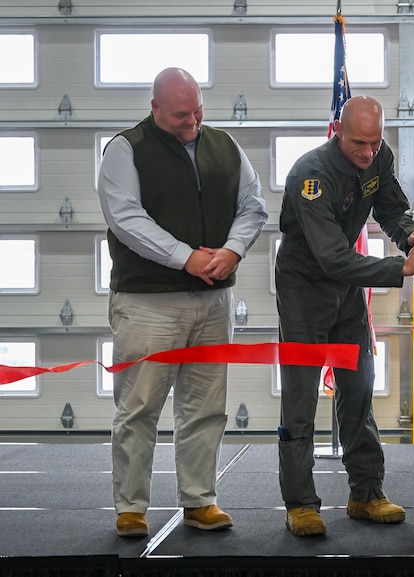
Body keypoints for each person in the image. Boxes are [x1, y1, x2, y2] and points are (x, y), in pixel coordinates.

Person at [97, 67, 268, 538]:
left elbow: (253, 205)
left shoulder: (225, 146)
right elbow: (126, 217)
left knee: (206, 406)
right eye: (180, 115)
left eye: (197, 111)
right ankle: (131, 507)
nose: (192, 121)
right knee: (139, 407)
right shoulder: (124, 150)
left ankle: (199, 501)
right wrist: (185, 258)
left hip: (214, 302)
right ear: (154, 108)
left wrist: (232, 250)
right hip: (148, 302)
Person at [275, 95, 414, 537]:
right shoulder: (310, 175)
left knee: (359, 386)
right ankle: (301, 504)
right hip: (305, 287)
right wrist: (399, 268)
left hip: (347, 289)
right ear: (337, 132)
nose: (368, 153)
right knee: (301, 394)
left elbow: (391, 209)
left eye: (375, 142)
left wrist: (412, 237)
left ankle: (366, 492)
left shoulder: (379, 156)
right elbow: (331, 258)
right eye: (359, 144)